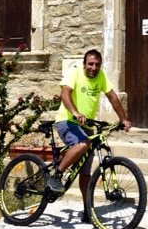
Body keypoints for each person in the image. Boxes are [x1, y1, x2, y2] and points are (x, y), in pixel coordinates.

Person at [48, 49, 131, 219]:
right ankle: (56, 176)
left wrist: (123, 119)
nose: (94, 67)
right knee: (83, 144)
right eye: (90, 64)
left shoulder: (101, 77)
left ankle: (87, 209)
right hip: (68, 121)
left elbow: (113, 97)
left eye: (97, 64)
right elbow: (65, 93)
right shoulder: (75, 73)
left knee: (85, 172)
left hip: (86, 125)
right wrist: (75, 112)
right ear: (84, 64)